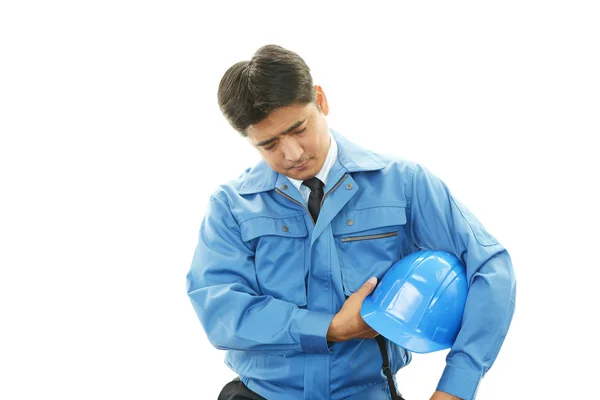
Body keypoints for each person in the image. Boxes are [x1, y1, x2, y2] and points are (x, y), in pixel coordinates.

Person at [186, 44, 516, 400]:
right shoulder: (231, 206)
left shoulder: (403, 183)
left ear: (321, 100)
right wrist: (330, 328)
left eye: (299, 129)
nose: (292, 154)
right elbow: (220, 308)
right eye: (270, 145)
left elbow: (491, 268)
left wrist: (456, 387)